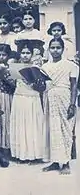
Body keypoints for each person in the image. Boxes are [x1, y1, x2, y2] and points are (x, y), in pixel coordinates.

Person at [42, 38, 78, 175]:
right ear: (49, 49)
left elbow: (74, 85)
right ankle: (56, 161)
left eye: (58, 48)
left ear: (63, 49)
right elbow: (42, 85)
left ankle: (66, 162)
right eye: (52, 48)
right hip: (50, 97)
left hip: (65, 96)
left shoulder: (71, 65)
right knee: (53, 129)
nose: (55, 50)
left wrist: (72, 104)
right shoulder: (45, 67)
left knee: (66, 129)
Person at [9, 39, 47, 163]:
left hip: (32, 99)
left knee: (32, 126)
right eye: (23, 53)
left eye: (27, 53)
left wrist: (32, 81)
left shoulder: (36, 67)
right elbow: (12, 84)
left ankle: (34, 155)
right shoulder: (15, 67)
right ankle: (20, 155)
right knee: (20, 125)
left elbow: (41, 87)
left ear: (32, 54)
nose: (25, 55)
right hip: (19, 98)